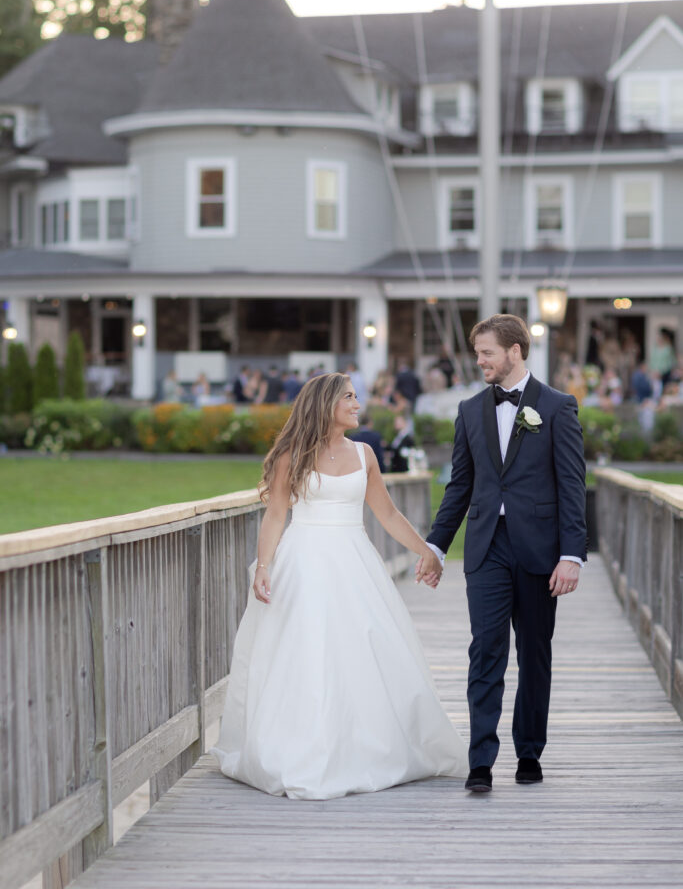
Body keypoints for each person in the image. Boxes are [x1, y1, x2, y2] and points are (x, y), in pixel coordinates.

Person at [210, 372, 467, 799]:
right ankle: (302, 747)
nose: (357, 403)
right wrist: (264, 566)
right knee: (306, 652)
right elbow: (276, 515)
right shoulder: (291, 457)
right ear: (325, 404)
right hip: (304, 560)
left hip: (354, 561)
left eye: (355, 395)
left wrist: (427, 551)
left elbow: (387, 514)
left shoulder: (365, 453)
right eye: (348, 397)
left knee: (360, 648)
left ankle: (361, 744)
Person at [421, 314, 586, 794]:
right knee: (485, 650)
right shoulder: (470, 410)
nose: (480, 362)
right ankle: (481, 761)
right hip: (486, 548)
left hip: (541, 552)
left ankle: (529, 752)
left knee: (534, 653)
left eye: (487, 353)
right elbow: (460, 486)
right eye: (478, 354)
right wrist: (435, 544)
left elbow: (573, 487)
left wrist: (572, 554)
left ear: (515, 351)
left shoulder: (557, 408)